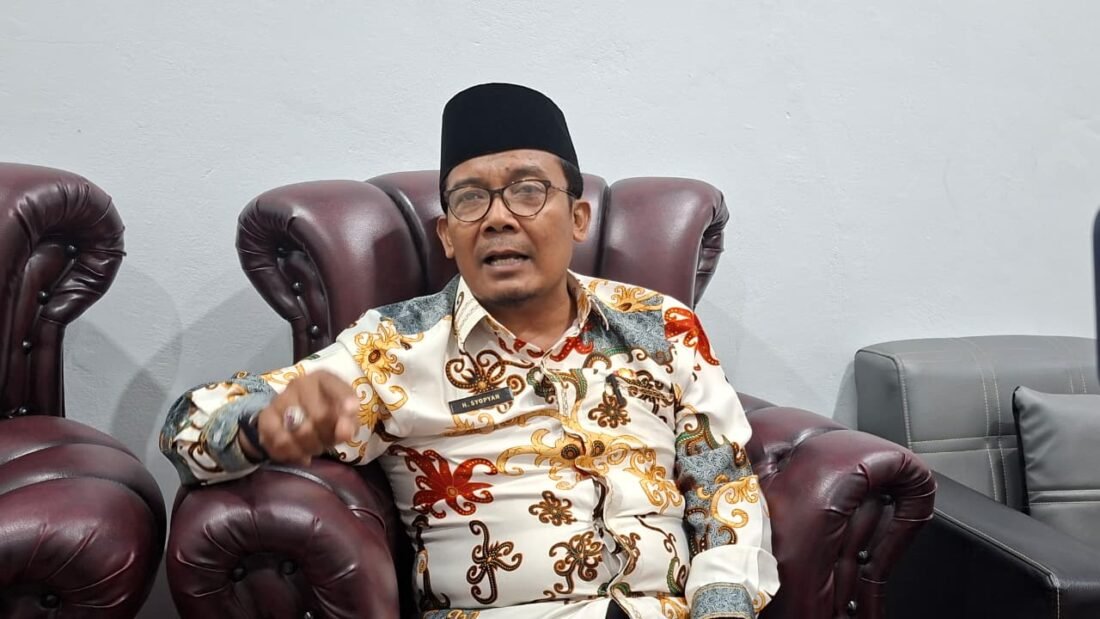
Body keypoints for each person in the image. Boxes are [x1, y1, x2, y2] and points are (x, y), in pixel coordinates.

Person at [161, 83, 779, 619]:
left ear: (579, 217)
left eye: (528, 191)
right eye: (469, 199)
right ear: (448, 236)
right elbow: (191, 425)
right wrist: (265, 426)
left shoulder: (661, 325)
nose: (498, 218)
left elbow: (723, 489)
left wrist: (721, 608)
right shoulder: (392, 347)